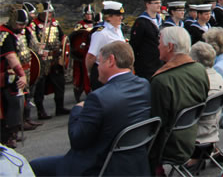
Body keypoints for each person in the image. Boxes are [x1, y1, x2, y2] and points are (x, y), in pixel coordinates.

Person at [29, 41, 152, 177]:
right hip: (133, 163)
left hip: (100, 166)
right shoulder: (144, 85)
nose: (97, 68)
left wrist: (77, 110)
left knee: (34, 166)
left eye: (99, 62)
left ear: (111, 60)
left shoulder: (99, 98)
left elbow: (77, 140)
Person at [149, 27, 210, 171]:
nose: (157, 46)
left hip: (169, 145)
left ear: (170, 47)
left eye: (160, 43)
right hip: (190, 138)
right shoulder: (199, 69)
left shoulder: (162, 80)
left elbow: (156, 124)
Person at [187, 42, 223, 168]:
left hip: (196, 134)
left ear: (195, 60)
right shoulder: (219, 76)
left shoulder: (196, 81)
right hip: (213, 131)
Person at [29, 2, 69, 119]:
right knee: (40, 86)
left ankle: (59, 107)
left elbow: (63, 37)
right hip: (42, 59)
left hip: (56, 58)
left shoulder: (55, 24)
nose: (50, 15)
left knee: (59, 83)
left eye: (51, 12)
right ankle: (41, 111)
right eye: (48, 13)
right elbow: (33, 42)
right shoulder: (34, 25)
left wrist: (63, 47)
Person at [1, 9, 31, 147]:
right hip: (4, 77)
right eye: (19, 24)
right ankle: (7, 136)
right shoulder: (5, 35)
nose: (22, 28)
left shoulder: (11, 33)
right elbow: (11, 57)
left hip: (8, 75)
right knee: (12, 103)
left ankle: (9, 134)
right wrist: (22, 75)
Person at [85, 1, 126, 91]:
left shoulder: (118, 29)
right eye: (118, 15)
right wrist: (91, 72)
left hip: (117, 72)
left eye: (121, 15)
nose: (121, 17)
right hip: (103, 73)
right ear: (109, 17)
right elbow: (91, 56)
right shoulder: (101, 33)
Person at [130, 0, 164, 80]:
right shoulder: (141, 22)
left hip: (160, 63)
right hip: (146, 65)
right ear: (147, 4)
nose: (159, 5)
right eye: (156, 3)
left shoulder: (160, 21)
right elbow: (134, 44)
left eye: (159, 3)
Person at [71, 5, 95, 102]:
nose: (89, 16)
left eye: (90, 14)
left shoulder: (96, 25)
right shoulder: (79, 25)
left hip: (93, 53)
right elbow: (74, 39)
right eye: (87, 14)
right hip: (81, 55)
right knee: (80, 75)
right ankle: (78, 93)